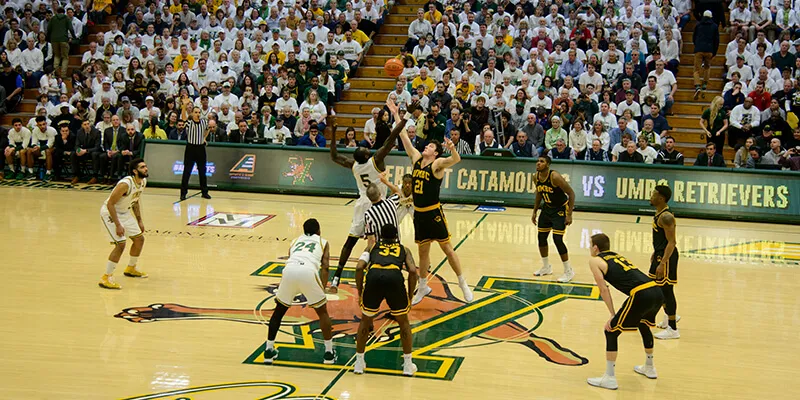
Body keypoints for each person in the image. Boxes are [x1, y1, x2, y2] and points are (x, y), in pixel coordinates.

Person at [389, 99, 474, 305]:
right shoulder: (417, 158)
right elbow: (402, 135)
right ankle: (423, 285)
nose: (425, 146)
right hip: (419, 213)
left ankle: (463, 283)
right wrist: (396, 114)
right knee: (423, 252)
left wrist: (452, 149)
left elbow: (455, 160)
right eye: (426, 145)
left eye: (429, 146)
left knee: (447, 249)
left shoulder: (436, 164)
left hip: (434, 212)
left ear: (435, 152)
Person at [328, 112, 404, 292]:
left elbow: (333, 156)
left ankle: (336, 277)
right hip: (380, 205)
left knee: (350, 242)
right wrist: (405, 116)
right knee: (387, 240)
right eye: (366, 149)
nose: (368, 148)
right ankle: (390, 272)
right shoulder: (376, 160)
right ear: (366, 155)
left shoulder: (353, 165)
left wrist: (332, 132)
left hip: (362, 205)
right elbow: (392, 138)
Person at [586, 233, 665, 390]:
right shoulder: (616, 256)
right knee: (643, 324)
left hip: (641, 294)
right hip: (656, 290)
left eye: (590, 245)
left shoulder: (595, 260)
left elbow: (603, 289)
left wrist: (612, 314)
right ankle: (649, 367)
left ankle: (609, 377)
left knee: (611, 330)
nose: (589, 249)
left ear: (596, 248)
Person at [263, 218, 336, 365]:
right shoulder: (323, 241)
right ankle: (328, 353)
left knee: (279, 311)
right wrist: (321, 286)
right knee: (322, 312)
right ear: (318, 231)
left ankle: (269, 350)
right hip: (308, 271)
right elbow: (326, 266)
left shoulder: (295, 241)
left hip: (290, 270)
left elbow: (291, 257)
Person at [353, 224, 418, 376]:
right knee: (403, 322)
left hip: (374, 276)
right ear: (396, 236)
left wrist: (360, 291)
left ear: (380, 236)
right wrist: (409, 295)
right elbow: (413, 271)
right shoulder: (404, 249)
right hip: (394, 278)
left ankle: (358, 363)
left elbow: (358, 267)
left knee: (365, 319)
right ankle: (408, 365)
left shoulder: (371, 247)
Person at [98, 158, 149, 289]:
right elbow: (110, 204)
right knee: (121, 244)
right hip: (110, 212)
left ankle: (131, 268)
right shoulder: (125, 184)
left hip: (124, 213)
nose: (146, 169)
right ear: (134, 171)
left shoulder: (143, 182)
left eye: (145, 166)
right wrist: (118, 225)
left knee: (139, 239)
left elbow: (135, 201)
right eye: (142, 167)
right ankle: (106, 277)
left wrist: (139, 221)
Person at [532, 155, 576, 283]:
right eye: (538, 161)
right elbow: (539, 193)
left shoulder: (555, 177)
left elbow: (571, 193)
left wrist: (569, 214)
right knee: (541, 237)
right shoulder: (536, 177)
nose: (538, 163)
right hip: (547, 209)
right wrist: (535, 211)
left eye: (542, 161)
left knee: (557, 239)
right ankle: (546, 267)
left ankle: (568, 271)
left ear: (548, 165)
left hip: (560, 210)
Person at [648, 185, 681, 340]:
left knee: (666, 291)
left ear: (661, 198)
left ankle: (673, 328)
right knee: (659, 289)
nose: (651, 196)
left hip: (666, 258)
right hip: (660, 255)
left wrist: (662, 263)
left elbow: (672, 242)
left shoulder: (666, 217)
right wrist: (655, 253)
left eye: (653, 194)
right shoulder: (660, 213)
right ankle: (669, 317)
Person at [179, 102, 212, 200]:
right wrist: (184, 107)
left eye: (199, 112)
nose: (197, 114)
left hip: (201, 148)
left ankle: (204, 192)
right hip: (191, 148)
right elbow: (184, 118)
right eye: (196, 112)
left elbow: (207, 129)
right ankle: (183, 193)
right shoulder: (189, 123)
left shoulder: (204, 122)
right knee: (187, 171)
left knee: (202, 171)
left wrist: (204, 138)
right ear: (192, 113)